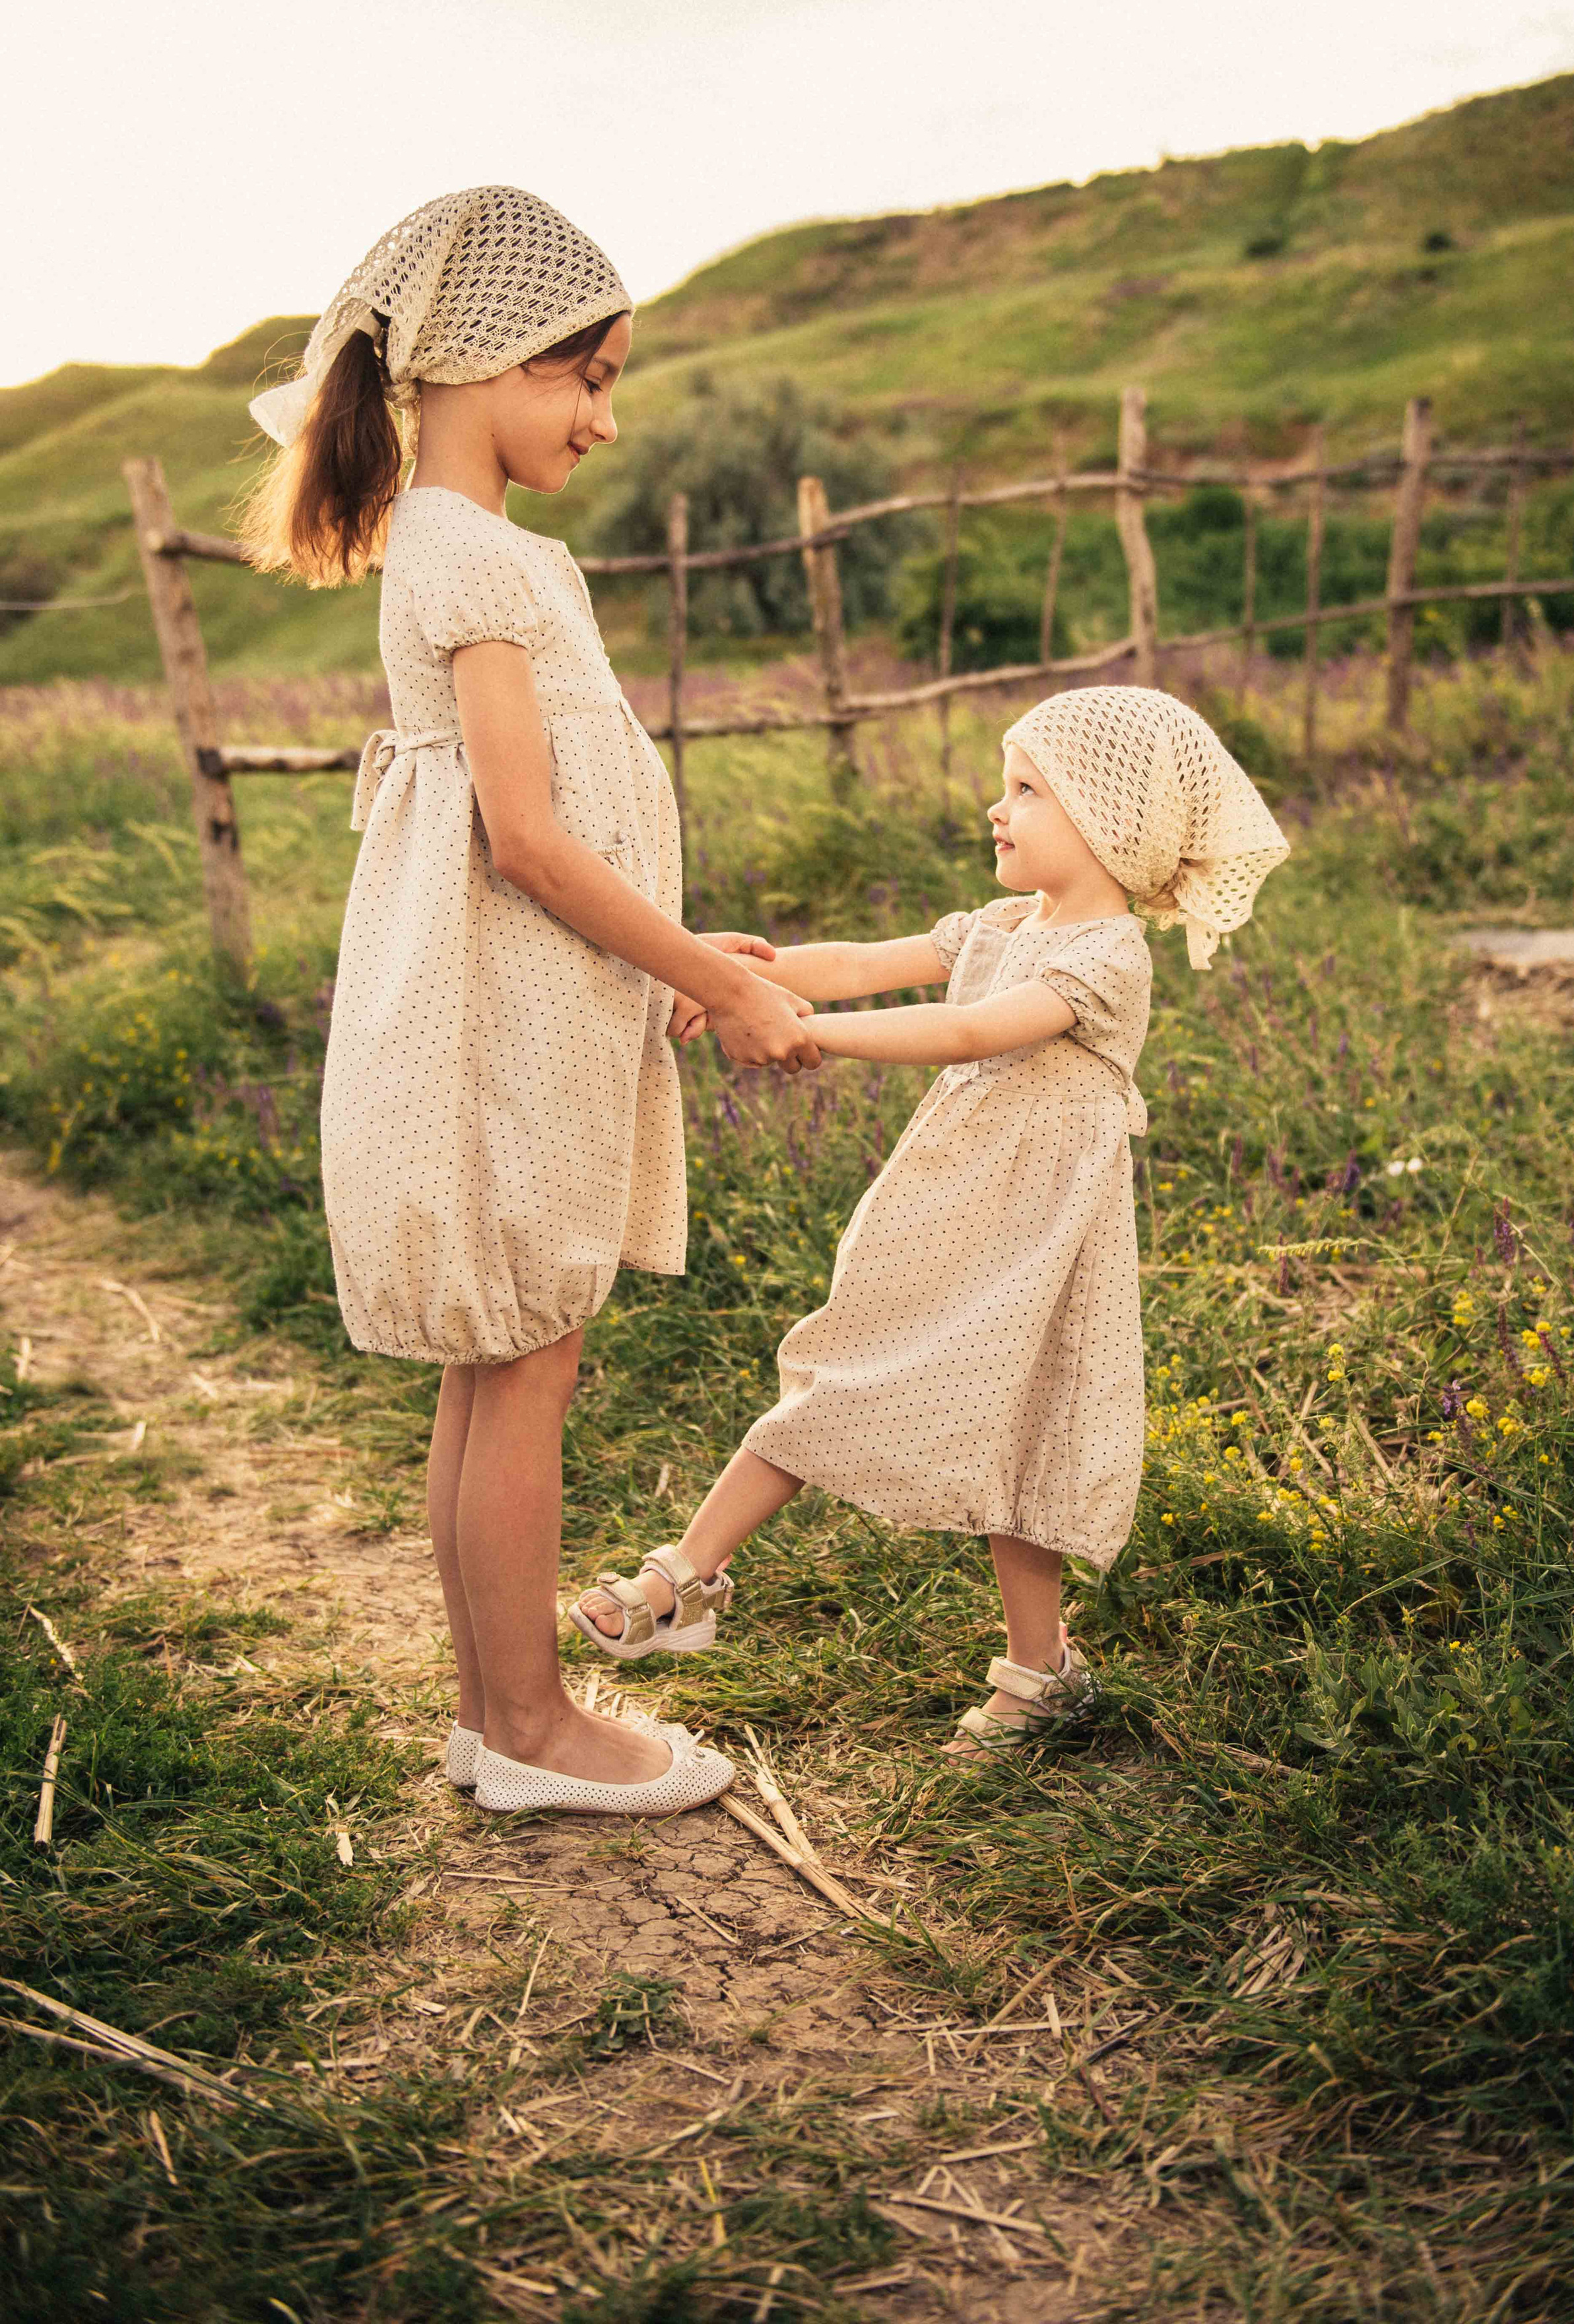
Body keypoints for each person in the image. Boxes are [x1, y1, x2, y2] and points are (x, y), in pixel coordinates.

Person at [244, 187, 820, 1817]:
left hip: (526, 1018)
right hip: (504, 1028)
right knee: (526, 1369)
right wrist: (704, 974)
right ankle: (533, 1726)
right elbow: (528, 837)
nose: (605, 415)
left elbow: (556, 828)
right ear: (485, 361)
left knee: (499, 1368)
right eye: (587, 375)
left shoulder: (463, 549)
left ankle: (496, 1714)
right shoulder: (468, 553)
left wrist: (695, 951)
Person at [569, 686, 1288, 1752]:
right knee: (837, 1364)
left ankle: (1038, 1667)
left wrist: (816, 1039)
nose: (998, 809)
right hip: (943, 1214)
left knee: (1026, 1436)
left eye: (1029, 790)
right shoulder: (1002, 923)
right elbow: (860, 962)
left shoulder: (1104, 957)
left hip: (1040, 1248)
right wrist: (733, 978)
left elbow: (972, 1030)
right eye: (1006, 786)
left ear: (1107, 818)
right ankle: (689, 1574)